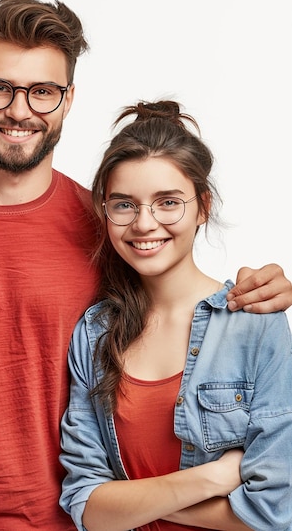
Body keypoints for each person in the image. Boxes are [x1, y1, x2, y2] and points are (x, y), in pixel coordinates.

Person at [0, 0, 290, 531]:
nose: (20, 110)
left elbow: (185, 299)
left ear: (67, 101)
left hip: (68, 519)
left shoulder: (110, 227)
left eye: (42, 92)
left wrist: (266, 289)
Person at [59, 100, 292, 531]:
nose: (145, 223)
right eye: (124, 205)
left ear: (203, 206)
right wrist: (210, 478)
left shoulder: (257, 323)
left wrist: (132, 500)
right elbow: (84, 502)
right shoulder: (94, 334)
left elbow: (274, 512)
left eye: (168, 202)